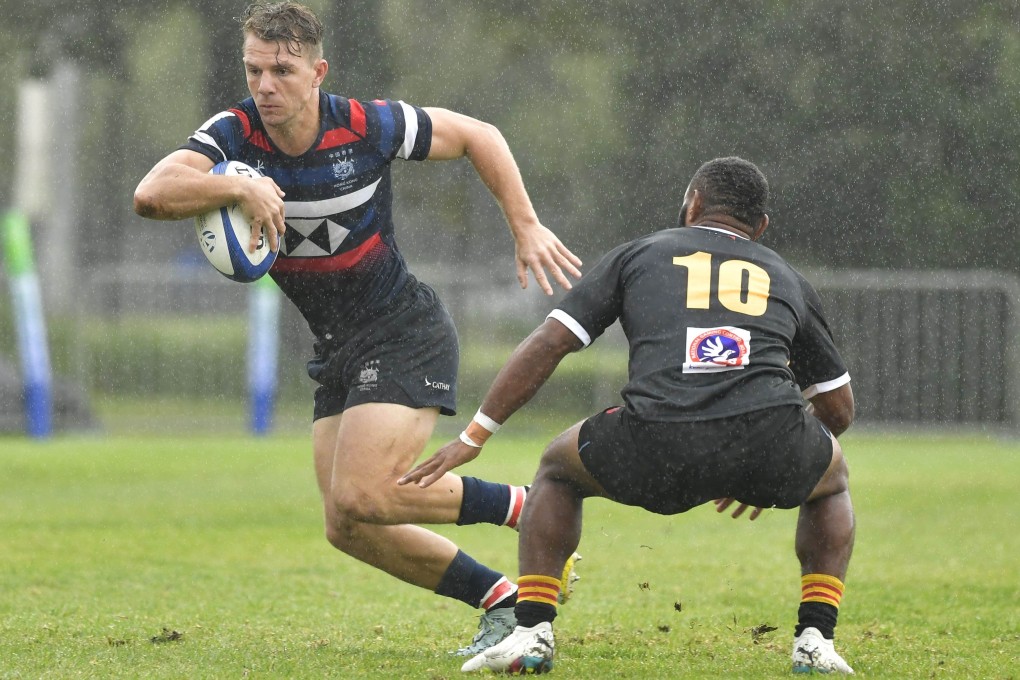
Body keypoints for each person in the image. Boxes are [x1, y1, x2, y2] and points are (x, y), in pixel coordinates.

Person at [132, 1, 584, 656]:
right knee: (347, 523)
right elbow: (152, 194)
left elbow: (478, 134)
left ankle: (527, 506)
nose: (265, 86)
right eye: (255, 70)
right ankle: (503, 600)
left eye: (282, 70)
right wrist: (237, 191)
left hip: (402, 328)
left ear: (317, 72)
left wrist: (526, 225)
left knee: (365, 491)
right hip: (336, 347)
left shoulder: (365, 125)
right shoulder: (233, 136)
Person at [401, 156, 857, 674]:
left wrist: (475, 435)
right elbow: (838, 408)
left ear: (693, 204)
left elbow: (551, 343)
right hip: (767, 441)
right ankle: (816, 639)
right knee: (834, 480)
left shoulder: (642, 253)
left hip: (655, 443)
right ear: (761, 227)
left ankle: (533, 629)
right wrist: (773, 450)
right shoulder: (789, 277)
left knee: (555, 468)